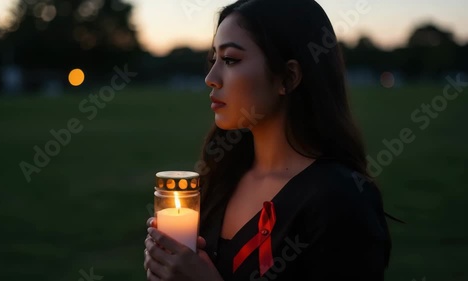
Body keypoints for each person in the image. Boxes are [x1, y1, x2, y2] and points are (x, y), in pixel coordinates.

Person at [144, 0, 392, 280]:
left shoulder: (342, 201)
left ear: (288, 77)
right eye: (214, 60)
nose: (211, 78)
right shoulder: (223, 175)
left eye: (230, 60)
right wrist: (168, 266)